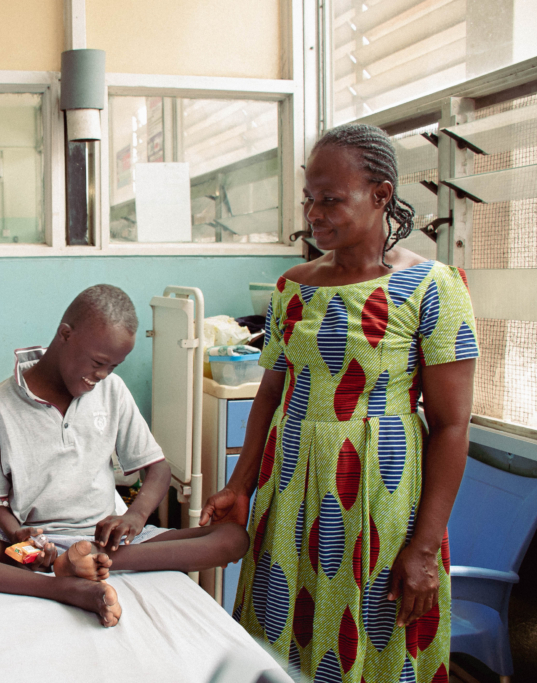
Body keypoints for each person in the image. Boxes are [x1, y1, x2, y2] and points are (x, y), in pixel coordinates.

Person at [200, 124, 478, 683]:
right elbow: (273, 393)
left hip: (378, 499)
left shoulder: (433, 288)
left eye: (331, 198)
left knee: (372, 636)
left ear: (380, 195)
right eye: (309, 198)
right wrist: (240, 484)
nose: (315, 212)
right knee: (282, 638)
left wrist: (423, 549)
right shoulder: (293, 288)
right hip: (291, 495)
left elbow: (451, 425)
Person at [0, 284, 248, 627]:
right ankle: (59, 583)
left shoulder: (112, 391)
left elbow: (156, 469)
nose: (102, 375)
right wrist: (18, 535)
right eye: (98, 362)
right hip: (32, 547)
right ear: (65, 335)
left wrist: (135, 517)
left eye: (113, 367)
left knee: (233, 538)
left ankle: (87, 561)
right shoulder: (2, 403)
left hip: (107, 542)